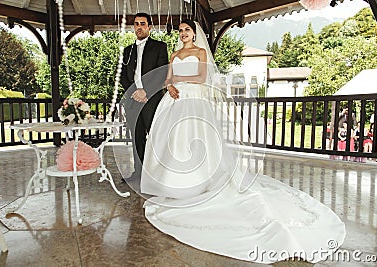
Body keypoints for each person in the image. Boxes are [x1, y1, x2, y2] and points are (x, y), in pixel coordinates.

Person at [140, 20, 345, 264]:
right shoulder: (174, 53)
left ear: (194, 33)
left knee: (197, 140)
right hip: (175, 100)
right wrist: (171, 85)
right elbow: (168, 78)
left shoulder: (200, 52)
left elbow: (202, 75)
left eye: (187, 30)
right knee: (173, 142)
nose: (184, 33)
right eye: (181, 31)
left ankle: (200, 182)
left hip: (194, 98)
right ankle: (175, 185)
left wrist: (183, 83)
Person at [120, 12, 168, 181]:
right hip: (133, 101)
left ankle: (157, 174)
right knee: (137, 137)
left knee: (155, 137)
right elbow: (122, 76)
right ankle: (138, 172)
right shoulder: (127, 50)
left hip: (152, 99)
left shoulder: (160, 47)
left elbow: (162, 73)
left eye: (142, 24)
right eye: (136, 24)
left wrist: (145, 91)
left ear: (149, 27)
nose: (139, 27)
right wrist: (135, 91)